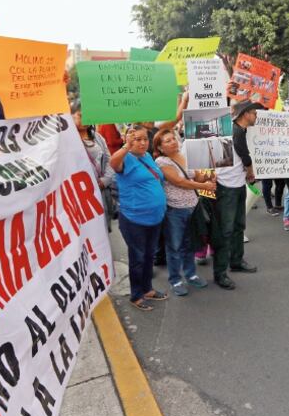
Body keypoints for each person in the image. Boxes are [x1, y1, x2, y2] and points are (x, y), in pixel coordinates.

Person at [110, 125, 169, 311]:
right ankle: (136, 295)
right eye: (137, 139)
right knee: (138, 258)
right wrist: (126, 146)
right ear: (128, 141)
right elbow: (113, 163)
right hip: (134, 218)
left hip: (155, 217)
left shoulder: (148, 156)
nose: (142, 143)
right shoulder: (124, 158)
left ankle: (147, 289)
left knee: (149, 256)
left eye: (145, 139)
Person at [154, 129, 215, 296]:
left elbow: (196, 176)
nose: (172, 142)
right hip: (175, 210)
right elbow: (179, 181)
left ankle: (191, 274)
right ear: (160, 147)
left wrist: (209, 175)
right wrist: (204, 186)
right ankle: (175, 280)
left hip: (192, 208)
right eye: (167, 141)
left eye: (173, 138)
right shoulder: (161, 161)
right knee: (174, 246)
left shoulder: (183, 156)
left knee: (190, 244)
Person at [213, 101, 262, 289]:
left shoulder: (239, 130)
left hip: (237, 184)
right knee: (226, 230)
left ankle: (236, 261)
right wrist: (250, 171)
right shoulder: (236, 132)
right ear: (246, 114)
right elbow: (245, 156)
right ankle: (220, 273)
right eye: (254, 113)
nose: (256, 116)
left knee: (238, 225)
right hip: (227, 186)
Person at [72, 102, 115, 231]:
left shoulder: (98, 137)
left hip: (100, 191)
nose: (85, 119)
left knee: (102, 228)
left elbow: (109, 161)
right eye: (80, 115)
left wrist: (104, 181)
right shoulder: (66, 140)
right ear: (71, 116)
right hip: (79, 195)